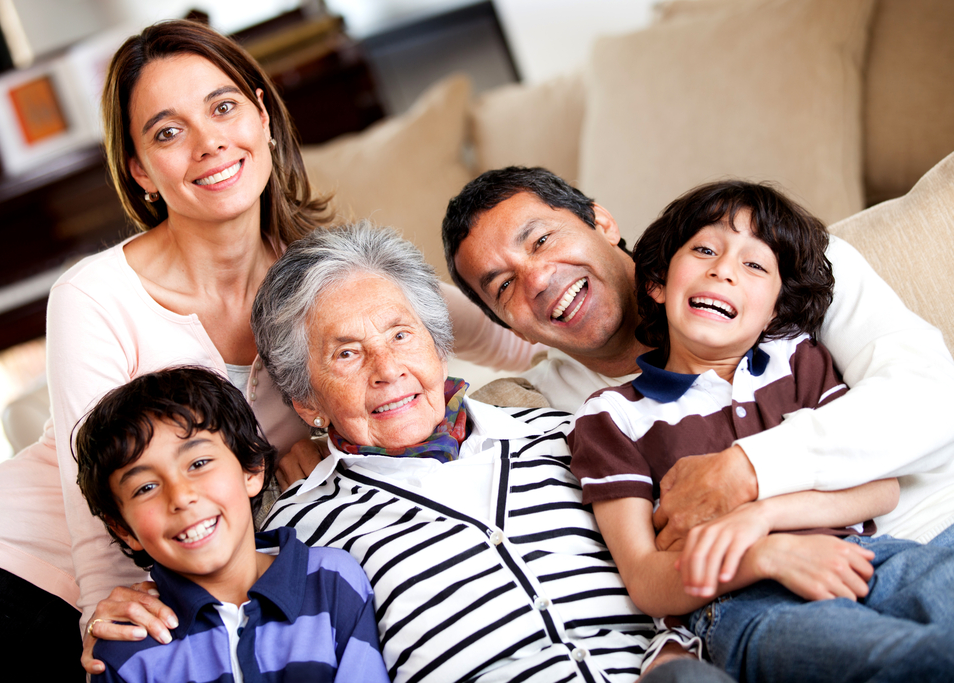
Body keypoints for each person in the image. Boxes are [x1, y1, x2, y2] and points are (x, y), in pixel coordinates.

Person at [0, 19, 328, 678]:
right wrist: (100, 608)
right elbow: (87, 476)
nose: (209, 141)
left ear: (263, 114)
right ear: (141, 171)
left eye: (222, 106)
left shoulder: (329, 281)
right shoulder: (93, 292)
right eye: (167, 131)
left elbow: (456, 317)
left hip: (171, 589)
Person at [249, 221, 736, 683]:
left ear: (438, 348)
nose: (388, 370)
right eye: (347, 353)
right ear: (307, 401)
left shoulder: (570, 434)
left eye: (401, 335)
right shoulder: (302, 530)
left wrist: (674, 650)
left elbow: (678, 548)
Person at [442, 167, 954, 553]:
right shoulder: (555, 414)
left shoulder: (776, 263)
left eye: (542, 240)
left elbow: (933, 398)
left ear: (601, 221)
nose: (537, 280)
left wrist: (747, 470)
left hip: (935, 527)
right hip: (783, 615)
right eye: (504, 286)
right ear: (506, 322)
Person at [569, 181, 954, 681]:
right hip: (742, 603)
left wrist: (759, 515)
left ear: (775, 310)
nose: (723, 269)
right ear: (657, 284)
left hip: (865, 557)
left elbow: (880, 488)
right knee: (910, 661)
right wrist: (765, 553)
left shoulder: (799, 359)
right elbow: (645, 579)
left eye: (755, 265)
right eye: (705, 250)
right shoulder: (611, 416)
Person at [74, 368, 388, 682]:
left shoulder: (331, 582)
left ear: (251, 469)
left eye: (198, 464)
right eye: (146, 488)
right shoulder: (123, 651)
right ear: (124, 529)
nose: (181, 497)